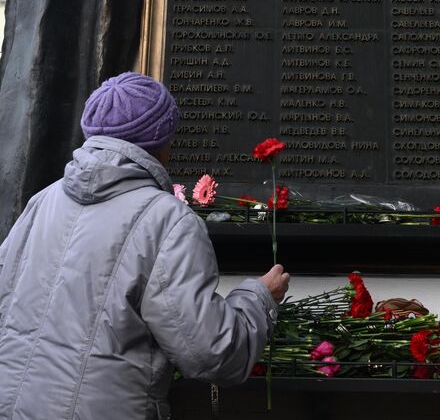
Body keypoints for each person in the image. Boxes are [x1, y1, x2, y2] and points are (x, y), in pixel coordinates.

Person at [0, 72, 290, 420]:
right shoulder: (168, 221)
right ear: (159, 140)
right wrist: (258, 298)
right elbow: (210, 353)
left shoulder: (41, 202)